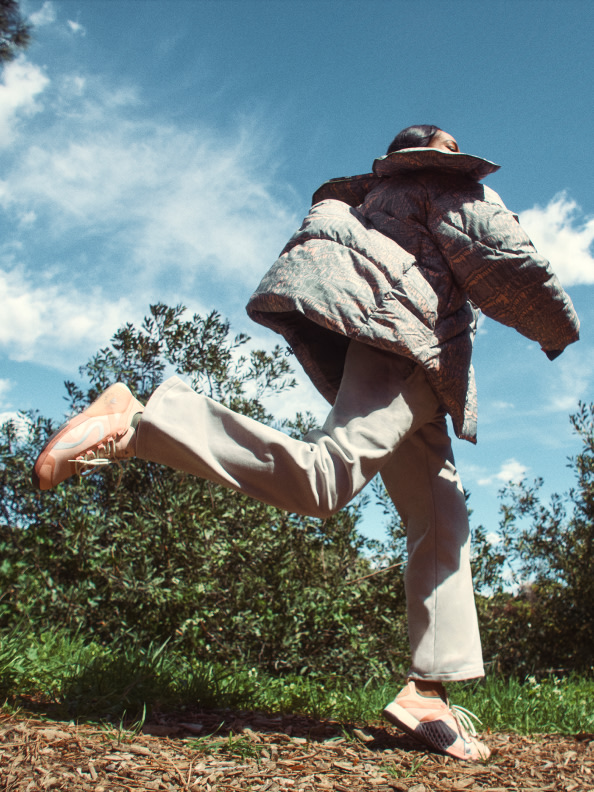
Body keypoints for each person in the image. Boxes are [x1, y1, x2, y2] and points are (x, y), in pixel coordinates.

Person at [32, 125, 580, 761]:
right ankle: (147, 422)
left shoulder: (372, 198)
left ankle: (428, 692)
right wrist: (557, 327)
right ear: (430, 152)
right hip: (406, 345)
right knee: (328, 479)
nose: (459, 150)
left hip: (403, 356)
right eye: (450, 144)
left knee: (441, 518)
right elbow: (508, 260)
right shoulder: (446, 187)